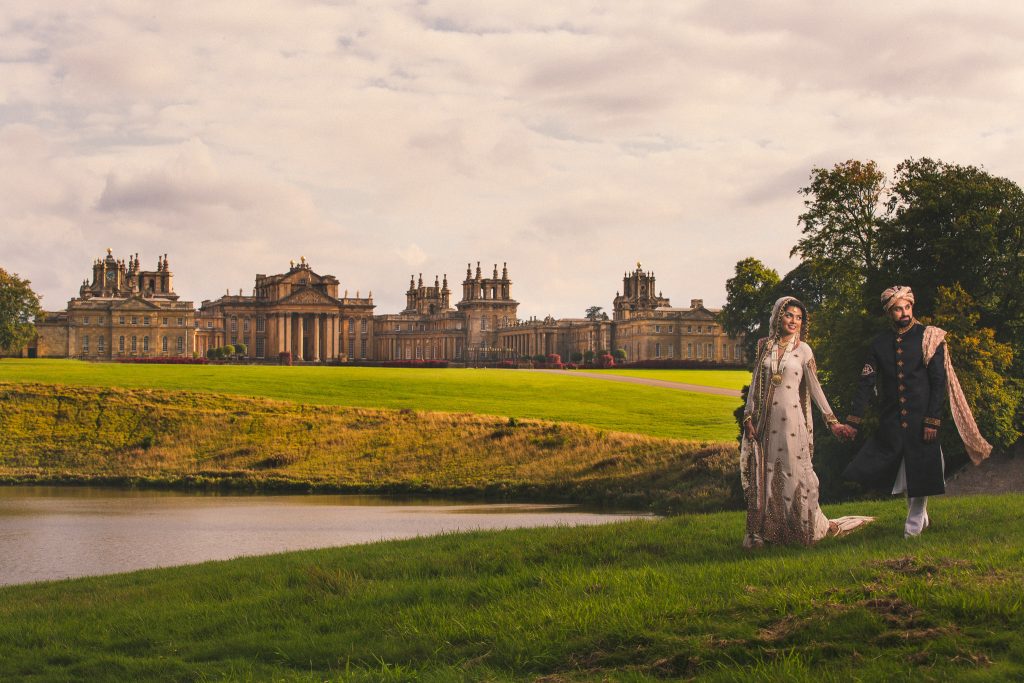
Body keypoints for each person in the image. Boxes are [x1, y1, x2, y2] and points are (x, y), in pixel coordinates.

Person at [842, 286, 992, 538]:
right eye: (897, 309)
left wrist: (933, 420)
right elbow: (865, 383)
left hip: (923, 418)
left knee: (922, 471)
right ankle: (921, 516)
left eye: (907, 307)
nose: (904, 313)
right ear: (889, 312)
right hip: (892, 418)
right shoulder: (879, 343)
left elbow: (938, 382)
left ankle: (912, 528)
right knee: (900, 473)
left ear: (912, 306)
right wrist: (853, 421)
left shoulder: (929, 337)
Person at [740, 296, 873, 548]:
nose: (794, 321)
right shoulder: (764, 347)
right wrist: (748, 417)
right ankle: (766, 532)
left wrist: (832, 421)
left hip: (793, 424)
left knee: (793, 475)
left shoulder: (804, 350)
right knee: (766, 476)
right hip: (766, 424)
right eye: (789, 315)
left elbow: (815, 389)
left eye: (799, 317)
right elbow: (756, 384)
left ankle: (798, 531)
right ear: (778, 316)